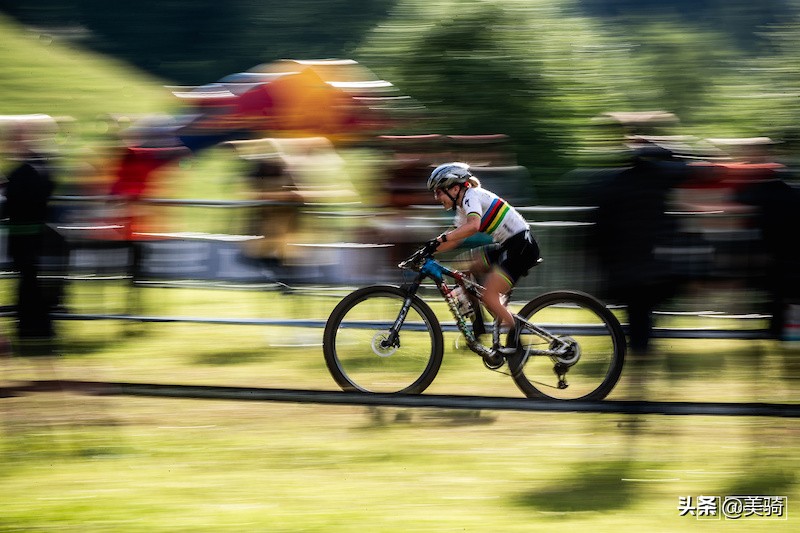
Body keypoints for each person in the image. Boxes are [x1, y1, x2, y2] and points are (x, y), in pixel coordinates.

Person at [426, 162, 540, 356]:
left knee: (489, 296)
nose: (437, 197)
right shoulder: (463, 206)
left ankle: (516, 336)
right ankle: (479, 326)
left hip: (521, 246)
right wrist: (428, 250)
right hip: (508, 245)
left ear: (455, 188)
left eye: (439, 192)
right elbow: (454, 237)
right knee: (463, 269)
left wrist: (441, 240)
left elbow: (473, 226)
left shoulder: (472, 195)